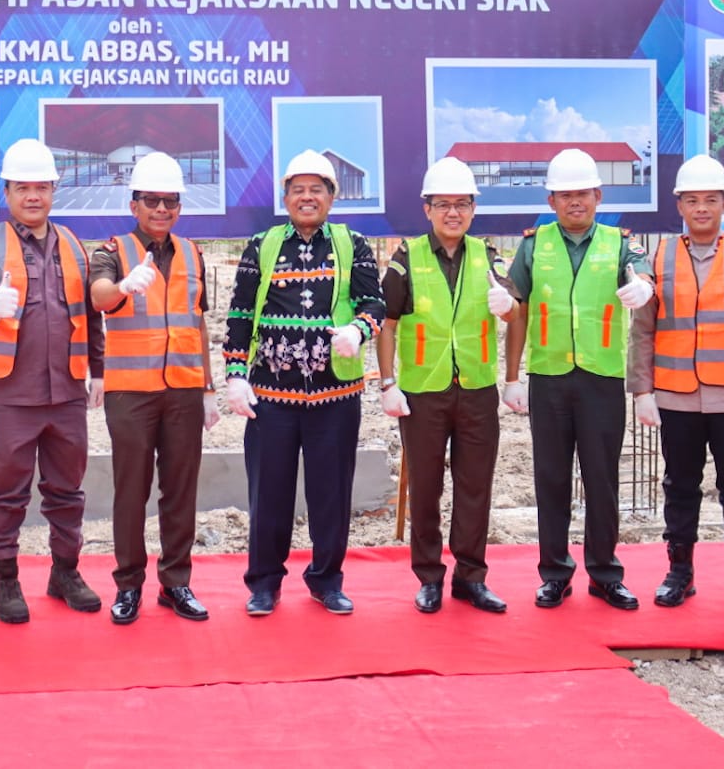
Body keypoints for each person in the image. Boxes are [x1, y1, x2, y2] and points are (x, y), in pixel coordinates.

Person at [224, 149, 386, 617]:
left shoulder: (354, 244)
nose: (307, 197)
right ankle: (264, 583)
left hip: (336, 395)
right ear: (285, 197)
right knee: (268, 494)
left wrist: (359, 330)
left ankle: (326, 581)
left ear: (332, 197)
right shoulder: (262, 245)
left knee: (331, 494)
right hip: (271, 396)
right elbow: (240, 314)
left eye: (317, 189)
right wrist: (235, 375)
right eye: (298, 190)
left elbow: (375, 303)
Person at [627, 154, 724, 617]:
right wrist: (642, 390)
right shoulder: (659, 256)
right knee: (680, 487)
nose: (701, 208)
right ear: (679, 205)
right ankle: (679, 573)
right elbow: (643, 328)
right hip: (677, 396)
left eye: (710, 200)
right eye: (692, 200)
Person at [0, 138, 106, 623]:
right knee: (7, 490)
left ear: (53, 191)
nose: (33, 196)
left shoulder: (73, 245)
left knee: (67, 490)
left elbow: (90, 314)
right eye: (23, 188)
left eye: (41, 187)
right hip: (12, 394)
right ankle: (5, 580)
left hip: (66, 392)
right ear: (7, 193)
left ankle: (65, 573)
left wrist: (99, 372)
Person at [503, 147, 651, 611]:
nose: (575, 202)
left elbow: (643, 273)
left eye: (583, 193)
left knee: (602, 479)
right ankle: (554, 574)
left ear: (598, 196)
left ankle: (605, 574)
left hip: (601, 377)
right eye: (565, 195)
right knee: (551, 478)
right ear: (551, 201)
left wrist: (643, 286)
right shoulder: (534, 245)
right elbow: (516, 305)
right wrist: (512, 376)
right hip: (549, 378)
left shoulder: (619, 242)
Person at [377, 157, 516, 615]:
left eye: (461, 204)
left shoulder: (487, 255)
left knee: (475, 487)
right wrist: (387, 383)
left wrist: (508, 304)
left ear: (473, 208)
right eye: (443, 204)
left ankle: (471, 577)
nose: (453, 212)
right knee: (426, 487)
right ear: (427, 209)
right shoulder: (407, 257)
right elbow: (388, 324)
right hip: (423, 391)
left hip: (476, 388)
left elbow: (515, 307)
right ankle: (429, 577)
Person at [89, 151, 220, 625]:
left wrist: (208, 387)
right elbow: (98, 296)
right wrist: (124, 285)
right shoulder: (110, 251)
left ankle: (176, 582)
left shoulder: (192, 253)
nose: (162, 209)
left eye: (170, 201)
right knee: (132, 490)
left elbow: (198, 322)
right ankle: (128, 585)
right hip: (131, 392)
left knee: (180, 490)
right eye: (152, 200)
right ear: (134, 204)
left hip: (183, 389)